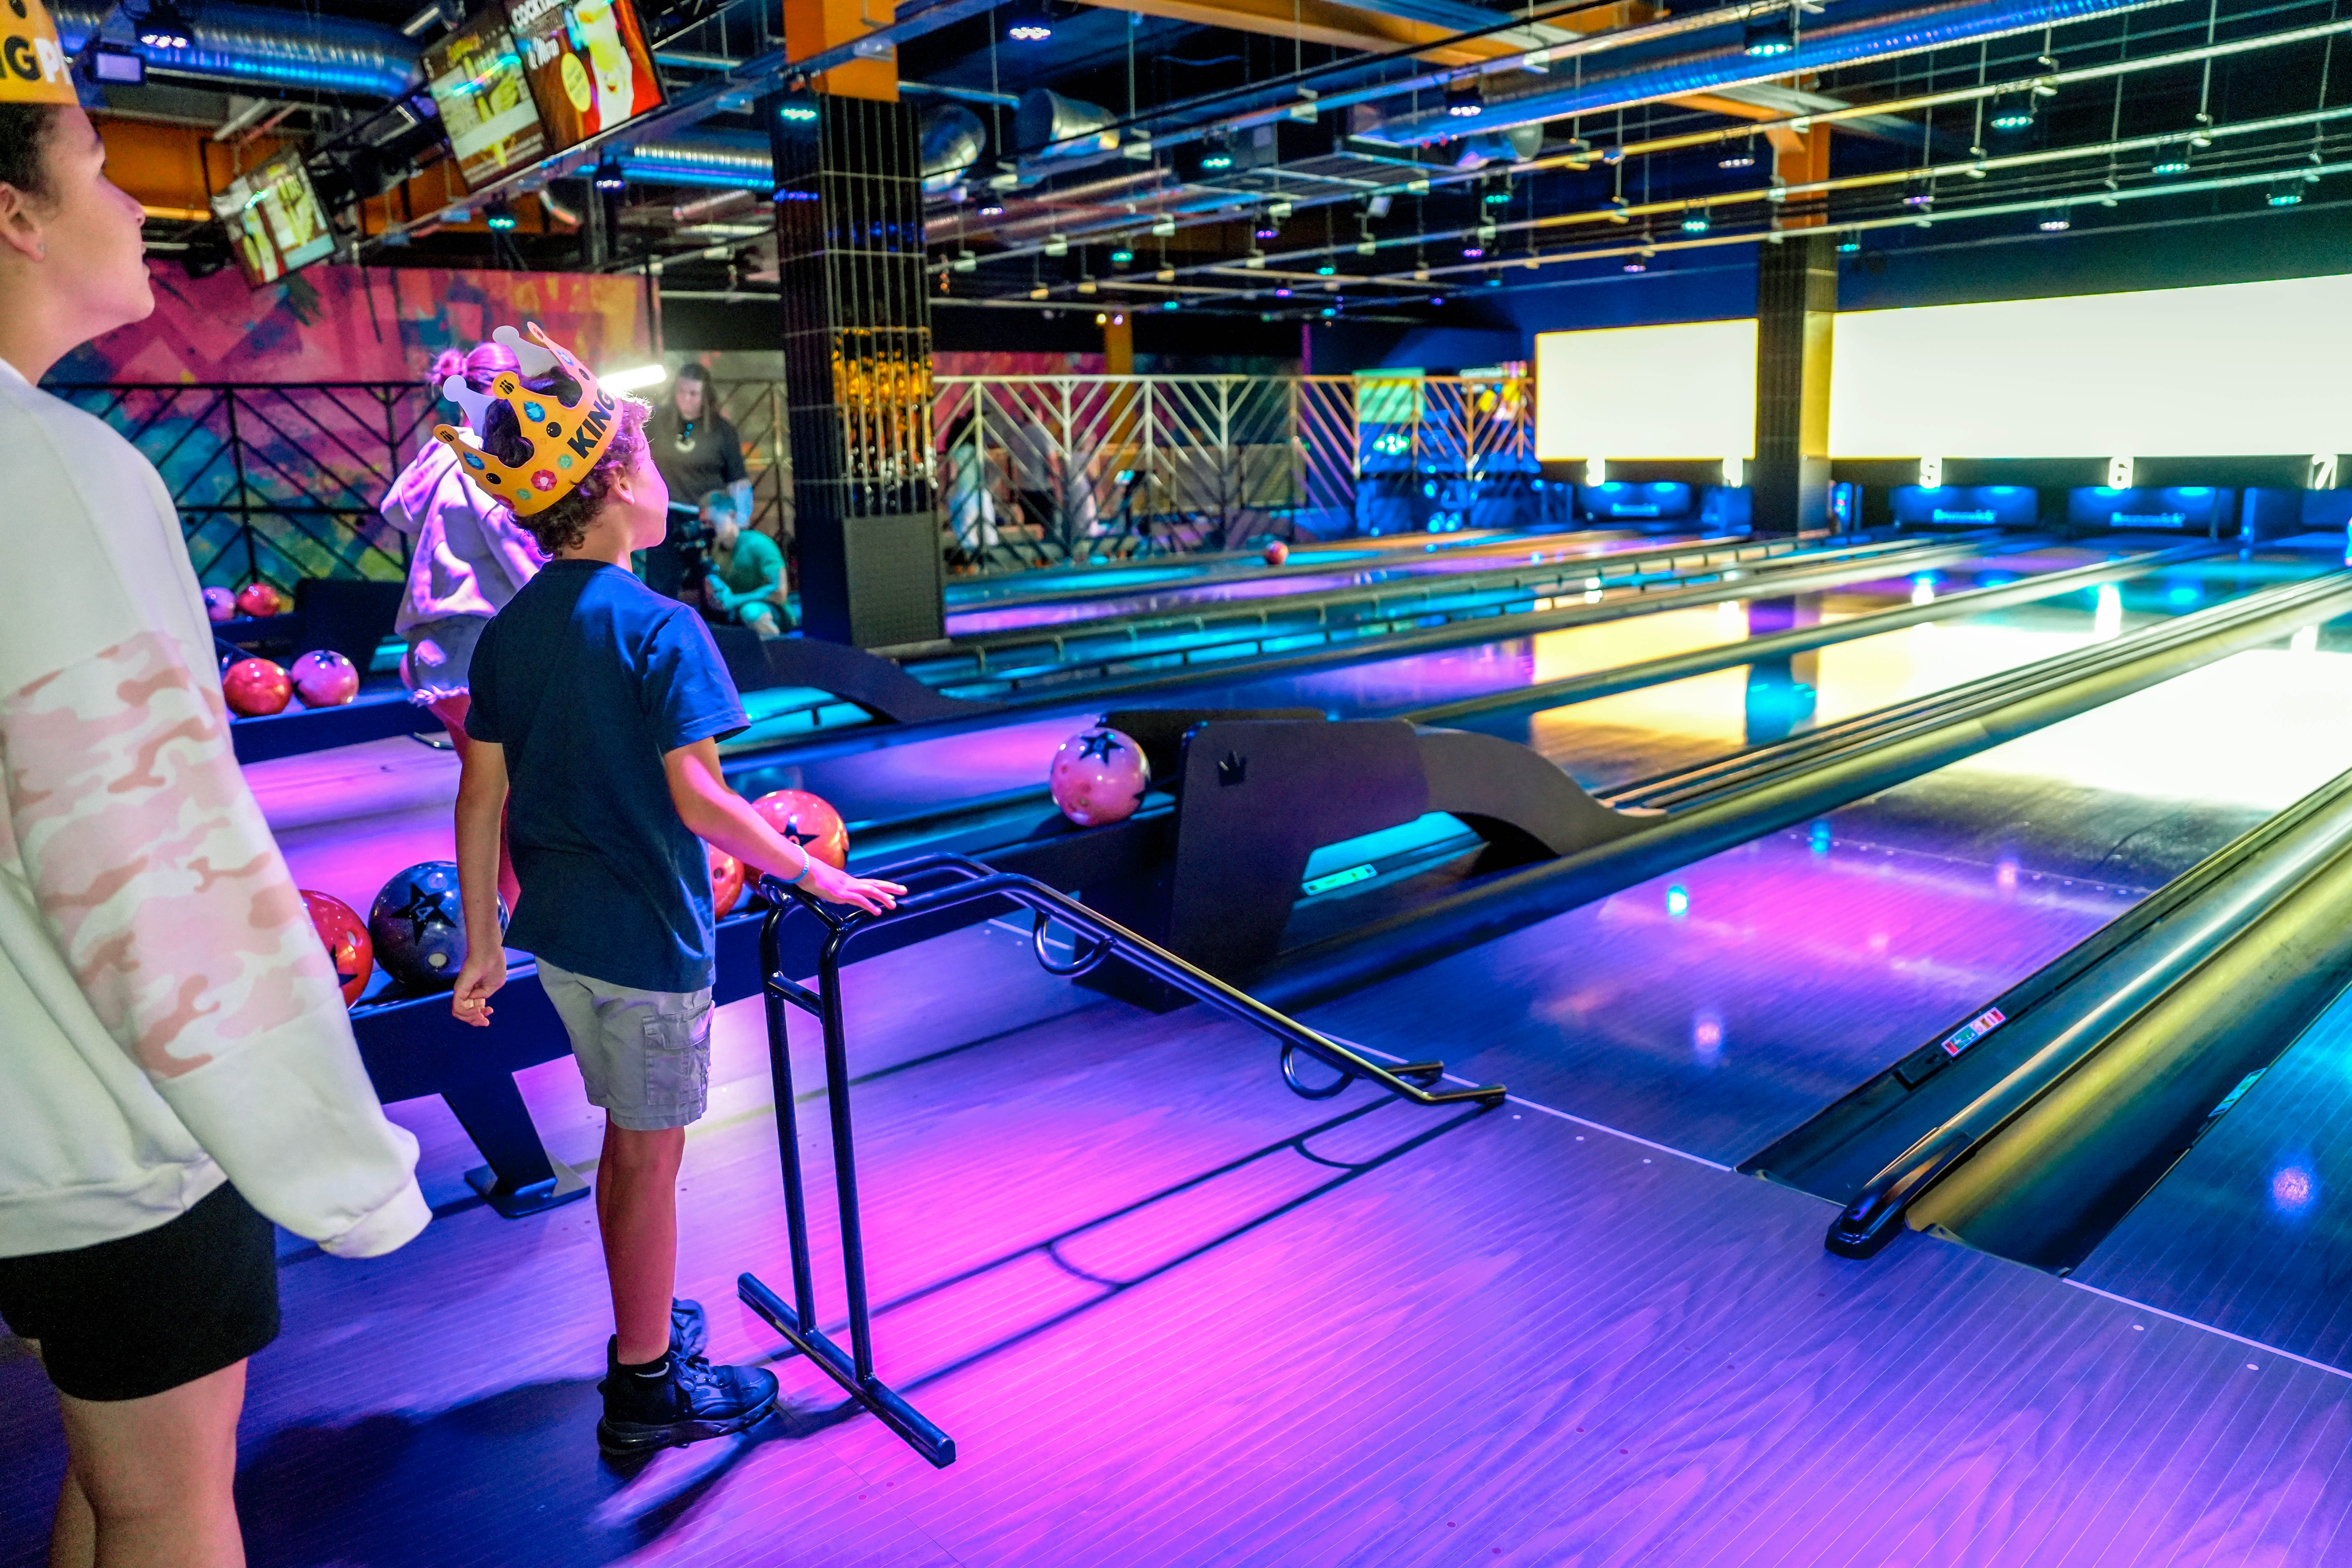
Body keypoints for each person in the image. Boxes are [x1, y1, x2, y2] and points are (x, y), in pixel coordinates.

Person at [0, 49, 430, 1568]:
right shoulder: (53, 469)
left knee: (117, 1488)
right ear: (14, 215)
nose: (136, 200)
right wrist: (336, 1158)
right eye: (102, 167)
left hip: (28, 1125)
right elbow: (149, 864)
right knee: (176, 1511)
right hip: (109, 1125)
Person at [441, 323, 903, 1456]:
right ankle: (647, 1383)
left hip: (558, 942)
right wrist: (815, 873)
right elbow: (699, 799)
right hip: (650, 945)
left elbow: (475, 801)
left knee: (623, 1146)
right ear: (608, 494)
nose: (664, 479)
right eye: (645, 464)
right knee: (649, 1157)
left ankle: (640, 1333)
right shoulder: (659, 624)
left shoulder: (508, 632)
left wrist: (480, 942)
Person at [380, 339, 543, 907]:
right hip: (481, 652)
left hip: (438, 655)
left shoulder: (441, 455)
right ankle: (515, 910)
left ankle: (502, 909)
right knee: (513, 792)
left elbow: (395, 508)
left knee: (488, 791)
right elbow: (517, 550)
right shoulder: (487, 461)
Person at [640, 363, 751, 599]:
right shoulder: (658, 422)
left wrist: (740, 523)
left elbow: (738, 482)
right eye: (682, 392)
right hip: (666, 516)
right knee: (660, 587)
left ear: (705, 396)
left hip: (708, 519)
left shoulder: (723, 431)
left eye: (694, 394)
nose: (686, 399)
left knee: (713, 588)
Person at [702, 492, 789, 635]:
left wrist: (734, 600)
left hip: (771, 610)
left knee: (751, 612)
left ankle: (780, 654)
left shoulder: (759, 544)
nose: (708, 528)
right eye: (705, 524)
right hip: (734, 611)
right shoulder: (713, 551)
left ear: (731, 515)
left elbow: (780, 591)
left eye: (713, 522)